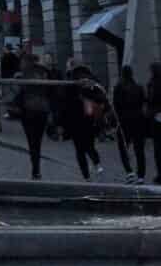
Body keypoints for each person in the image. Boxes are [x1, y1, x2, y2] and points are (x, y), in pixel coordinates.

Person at [60, 63, 106, 180]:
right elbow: (101, 98)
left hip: (75, 120)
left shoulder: (70, 83)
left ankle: (86, 176)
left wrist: (63, 124)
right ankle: (97, 164)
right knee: (90, 144)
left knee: (79, 149)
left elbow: (64, 104)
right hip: (89, 118)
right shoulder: (92, 81)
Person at [10, 52, 52, 180]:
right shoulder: (45, 72)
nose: (20, 64)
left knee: (32, 141)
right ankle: (36, 168)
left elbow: (18, 92)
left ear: (25, 61)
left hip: (28, 111)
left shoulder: (22, 74)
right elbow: (51, 90)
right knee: (37, 140)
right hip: (42, 109)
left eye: (21, 61)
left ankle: (35, 168)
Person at [112, 65, 148, 182]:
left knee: (123, 148)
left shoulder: (118, 87)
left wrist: (115, 122)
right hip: (138, 120)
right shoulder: (138, 87)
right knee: (139, 149)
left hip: (124, 121)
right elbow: (143, 102)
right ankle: (141, 175)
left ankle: (130, 172)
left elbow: (115, 106)